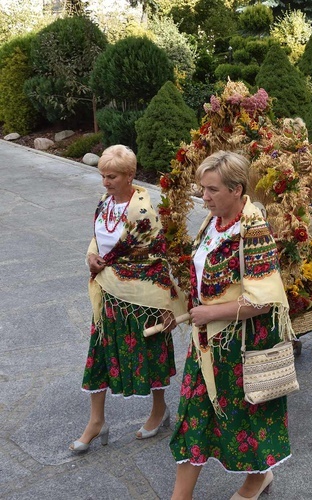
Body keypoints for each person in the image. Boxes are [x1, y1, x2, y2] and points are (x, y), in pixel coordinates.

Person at [170, 151, 292, 500]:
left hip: (242, 342)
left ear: (237, 190)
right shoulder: (215, 220)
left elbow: (263, 301)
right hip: (209, 341)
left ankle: (257, 480)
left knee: (246, 416)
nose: (204, 197)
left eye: (212, 189)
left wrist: (210, 313)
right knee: (194, 412)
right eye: (202, 188)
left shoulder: (253, 231)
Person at [71, 145, 182, 453]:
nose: (106, 182)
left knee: (151, 353)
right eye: (103, 176)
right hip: (108, 294)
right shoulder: (104, 204)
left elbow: (156, 259)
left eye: (112, 176)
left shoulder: (143, 213)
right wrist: (92, 256)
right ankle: (96, 421)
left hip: (141, 298)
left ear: (130, 175)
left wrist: (165, 305)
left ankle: (159, 412)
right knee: (100, 353)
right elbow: (98, 238)